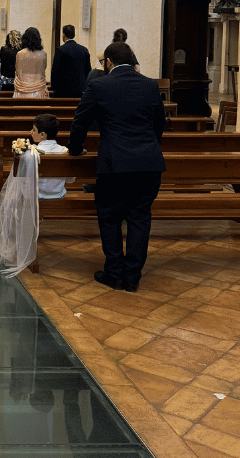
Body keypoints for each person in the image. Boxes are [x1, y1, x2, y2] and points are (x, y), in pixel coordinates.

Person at [67, 41, 166, 292]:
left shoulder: (99, 85)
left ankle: (114, 272)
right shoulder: (150, 85)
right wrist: (149, 147)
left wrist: (75, 149)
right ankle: (133, 276)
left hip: (114, 164)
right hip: (148, 163)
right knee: (140, 218)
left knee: (110, 217)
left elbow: (80, 122)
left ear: (108, 62)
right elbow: (159, 124)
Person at [31, 113, 72, 199]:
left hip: (36, 198)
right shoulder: (65, 151)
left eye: (34, 130)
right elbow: (70, 179)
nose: (31, 132)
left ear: (42, 135)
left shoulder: (32, 152)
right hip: (59, 197)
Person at [50, 25, 92, 98]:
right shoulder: (84, 50)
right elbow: (88, 70)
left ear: (63, 36)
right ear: (74, 35)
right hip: (80, 90)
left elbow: (55, 71)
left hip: (63, 91)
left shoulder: (60, 50)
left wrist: (54, 88)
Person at [14, 27, 48, 98]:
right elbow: (43, 70)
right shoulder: (43, 54)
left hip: (22, 90)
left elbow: (18, 72)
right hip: (39, 90)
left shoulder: (20, 54)